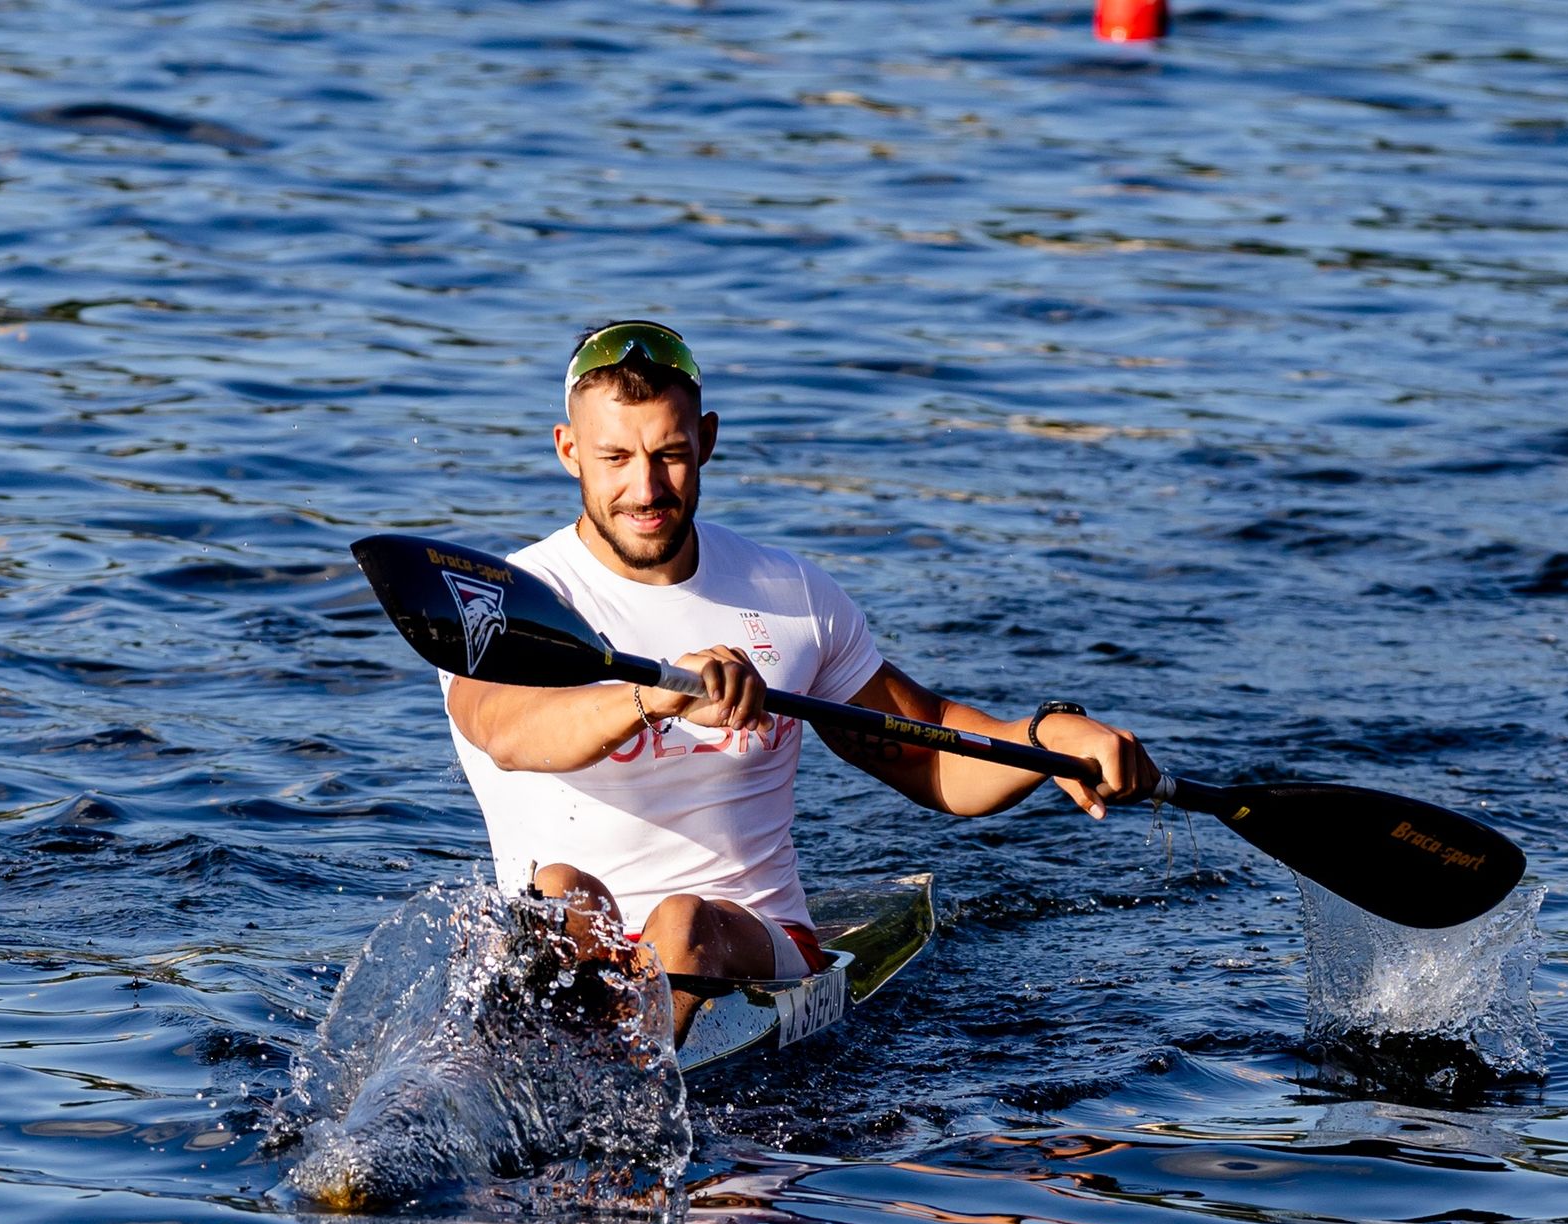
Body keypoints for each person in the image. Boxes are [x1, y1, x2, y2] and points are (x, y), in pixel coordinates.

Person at [443, 320, 1160, 1036]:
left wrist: (1045, 735)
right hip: (575, 947)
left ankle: (615, 1098)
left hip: (749, 938)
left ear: (709, 441)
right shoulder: (505, 602)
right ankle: (598, 1063)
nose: (646, 487)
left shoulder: (789, 594)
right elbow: (505, 732)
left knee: (682, 922)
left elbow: (926, 748)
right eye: (616, 457)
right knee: (561, 890)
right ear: (569, 449)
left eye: (670, 455)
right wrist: (650, 697)